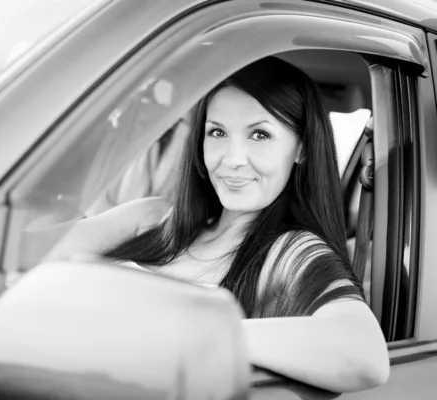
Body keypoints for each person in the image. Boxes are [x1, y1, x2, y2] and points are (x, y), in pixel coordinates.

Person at [43, 56, 389, 393]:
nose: (232, 160)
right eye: (218, 132)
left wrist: (188, 329)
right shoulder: (148, 219)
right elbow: (19, 257)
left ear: (301, 148)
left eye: (260, 135)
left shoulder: (289, 252)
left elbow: (365, 355)